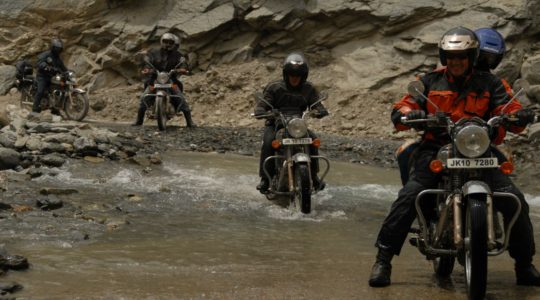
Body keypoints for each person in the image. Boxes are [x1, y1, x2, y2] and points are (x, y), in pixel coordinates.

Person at [368, 26, 539, 287]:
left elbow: (510, 109)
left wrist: (520, 115)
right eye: (450, 56)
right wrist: (408, 114)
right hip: (436, 148)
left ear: (472, 56)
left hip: (479, 150)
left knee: (514, 199)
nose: (456, 62)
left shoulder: (492, 83)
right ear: (443, 57)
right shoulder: (428, 82)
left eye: (462, 56)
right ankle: (383, 259)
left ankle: (524, 265)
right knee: (410, 196)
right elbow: (403, 106)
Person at [254, 52, 328, 193]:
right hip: (276, 123)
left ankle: (314, 176)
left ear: (303, 76)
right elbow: (263, 104)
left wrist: (320, 110)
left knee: (313, 140)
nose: (295, 78)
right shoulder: (274, 87)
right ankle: (265, 179)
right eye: (292, 75)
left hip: (297, 125)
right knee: (269, 141)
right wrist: (261, 110)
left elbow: (316, 104)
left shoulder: (309, 89)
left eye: (298, 76)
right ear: (286, 75)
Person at [132, 32, 195, 127]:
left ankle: (190, 122)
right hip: (155, 81)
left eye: (170, 42)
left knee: (180, 98)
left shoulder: (177, 55)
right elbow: (147, 63)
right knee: (144, 98)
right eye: (165, 41)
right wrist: (146, 70)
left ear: (173, 44)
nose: (168, 44)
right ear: (161, 41)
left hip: (170, 81)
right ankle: (139, 121)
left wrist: (182, 69)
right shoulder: (153, 53)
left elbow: (183, 63)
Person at [32, 38, 67, 114]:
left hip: (51, 77)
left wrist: (67, 72)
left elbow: (63, 67)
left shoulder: (58, 58)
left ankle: (54, 108)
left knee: (59, 89)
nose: (58, 50)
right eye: (57, 48)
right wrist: (45, 66)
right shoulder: (46, 54)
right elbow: (39, 62)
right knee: (41, 91)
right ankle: (35, 108)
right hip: (42, 76)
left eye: (59, 49)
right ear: (53, 47)